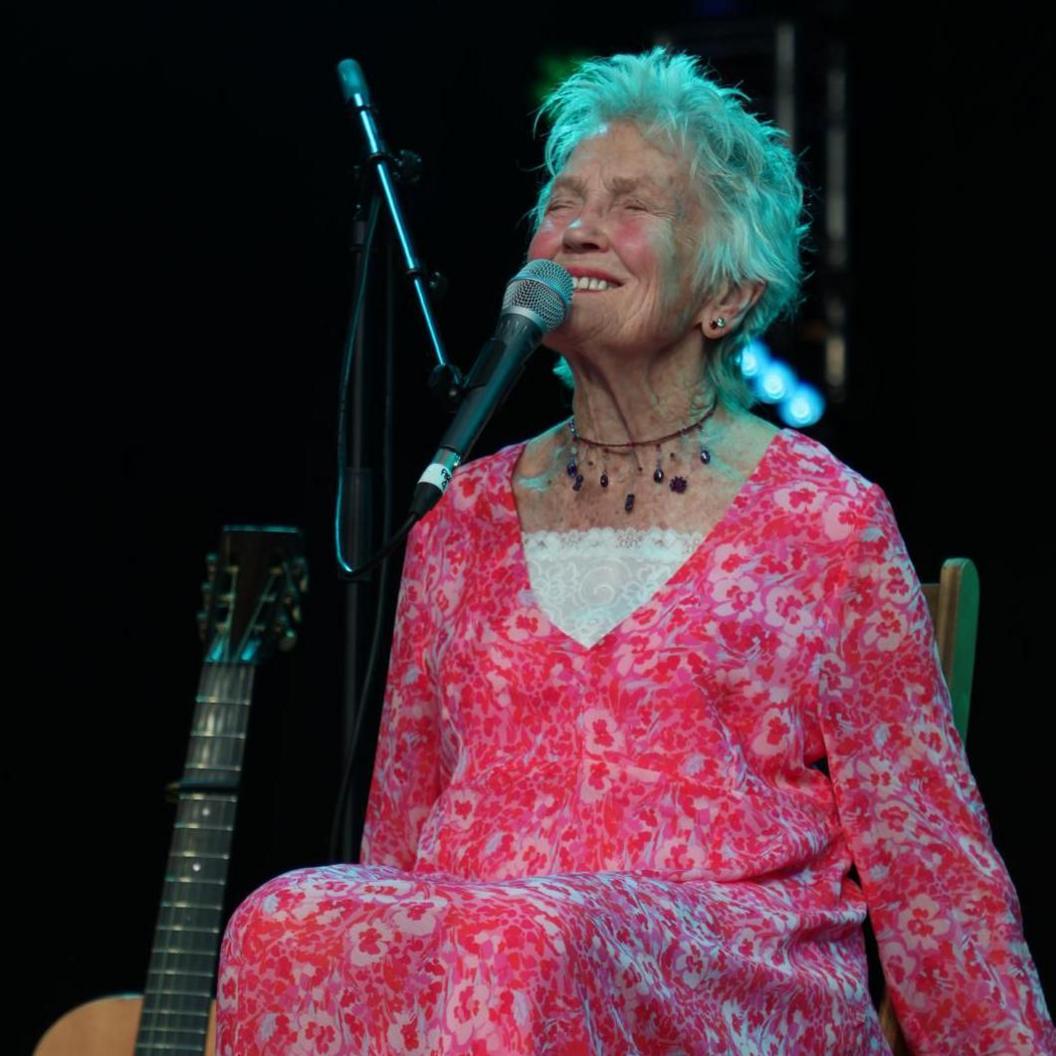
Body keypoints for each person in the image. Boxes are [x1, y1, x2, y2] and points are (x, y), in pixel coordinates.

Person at [216, 48, 1054, 1055]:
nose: (575, 228)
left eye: (630, 205)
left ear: (728, 295)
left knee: (517, 937)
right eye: (563, 201)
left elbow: (932, 867)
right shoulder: (464, 510)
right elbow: (400, 837)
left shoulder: (825, 520)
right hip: (496, 968)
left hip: (730, 978)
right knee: (285, 919)